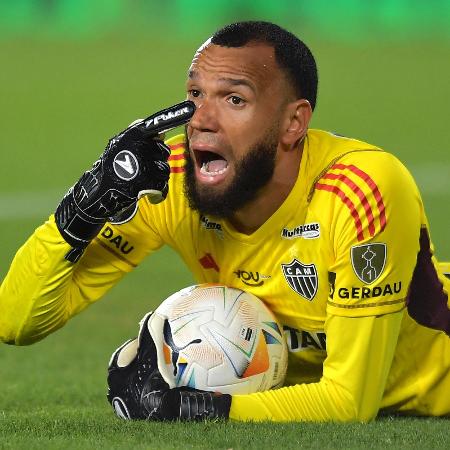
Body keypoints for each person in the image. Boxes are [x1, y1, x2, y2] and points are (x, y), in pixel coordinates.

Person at [0, 20, 449, 422]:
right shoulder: (170, 182)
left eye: (234, 98)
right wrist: (81, 210)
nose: (201, 121)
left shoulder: (360, 191)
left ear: (294, 123)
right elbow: (15, 322)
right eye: (195, 95)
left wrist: (193, 408)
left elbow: (350, 403)